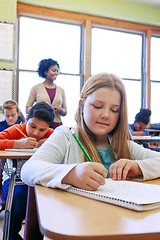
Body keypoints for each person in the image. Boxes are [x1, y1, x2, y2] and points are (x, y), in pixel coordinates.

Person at [21, 73, 160, 195]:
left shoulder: (124, 146)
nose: (105, 115)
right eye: (98, 106)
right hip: (76, 219)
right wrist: (72, 174)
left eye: (114, 110)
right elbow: (28, 170)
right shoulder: (66, 137)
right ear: (82, 106)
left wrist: (138, 168)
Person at [1, 102, 55, 240]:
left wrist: (49, 142)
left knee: (43, 205)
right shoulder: (16, 130)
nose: (36, 133)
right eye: (32, 126)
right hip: (15, 180)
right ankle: (12, 236)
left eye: (42, 130)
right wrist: (17, 143)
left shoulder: (52, 135)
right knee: (18, 201)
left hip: (38, 181)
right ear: (26, 119)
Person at [25, 58, 67, 129]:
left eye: (57, 71)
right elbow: (27, 108)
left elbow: (65, 111)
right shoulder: (36, 88)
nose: (56, 73)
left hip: (57, 125)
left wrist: (60, 110)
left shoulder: (61, 90)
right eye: (54, 70)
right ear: (45, 71)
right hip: (40, 124)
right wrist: (40, 110)